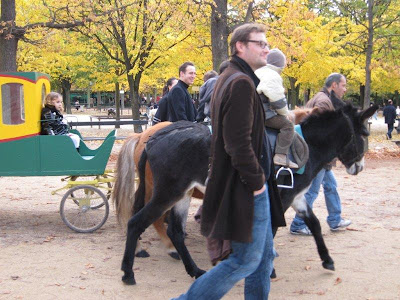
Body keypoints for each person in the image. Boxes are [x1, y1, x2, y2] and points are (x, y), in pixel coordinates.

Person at [172, 23, 286, 300]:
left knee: (263, 257)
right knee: (245, 261)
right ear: (240, 46)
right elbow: (237, 143)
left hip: (248, 183)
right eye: (260, 43)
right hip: (246, 186)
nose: (266, 48)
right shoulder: (240, 83)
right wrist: (257, 183)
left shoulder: (232, 76)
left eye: (266, 43)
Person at [290, 73, 351, 236]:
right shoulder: (324, 102)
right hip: (317, 156)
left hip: (317, 156)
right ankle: (297, 224)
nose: (345, 89)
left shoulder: (320, 98)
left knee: (330, 186)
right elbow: (321, 132)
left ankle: (335, 219)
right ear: (334, 86)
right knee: (312, 191)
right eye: (343, 85)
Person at [254, 48, 298, 168]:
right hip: (263, 113)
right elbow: (278, 101)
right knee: (287, 125)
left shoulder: (257, 71)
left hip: (252, 110)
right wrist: (285, 113)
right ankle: (281, 156)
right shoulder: (273, 75)